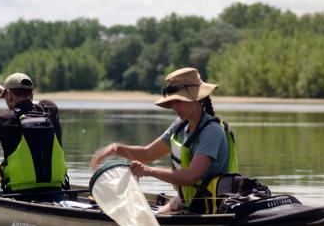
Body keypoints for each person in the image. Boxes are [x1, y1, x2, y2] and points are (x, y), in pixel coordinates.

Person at [90, 67, 237, 214]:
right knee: (154, 215)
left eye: (178, 100)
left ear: (196, 98)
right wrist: (116, 149)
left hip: (212, 208)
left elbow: (191, 177)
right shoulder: (179, 126)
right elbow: (147, 154)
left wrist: (148, 171)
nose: (174, 106)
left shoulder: (212, 131)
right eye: (172, 101)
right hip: (186, 203)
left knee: (153, 216)